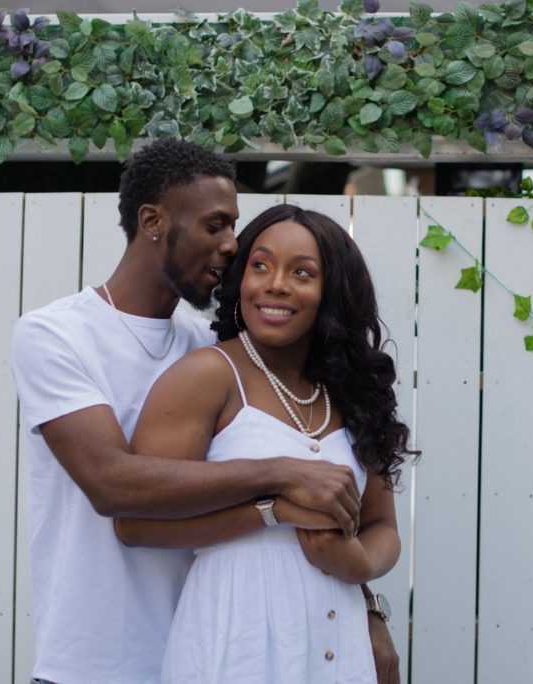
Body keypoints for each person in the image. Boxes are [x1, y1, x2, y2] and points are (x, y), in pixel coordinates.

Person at [10, 139, 399, 684]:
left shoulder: (214, 348)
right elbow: (111, 483)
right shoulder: (57, 335)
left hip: (219, 642)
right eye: (215, 226)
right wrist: (284, 482)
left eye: (234, 227)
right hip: (99, 656)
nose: (231, 246)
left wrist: (367, 609)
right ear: (153, 221)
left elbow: (327, 509)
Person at [114, 204, 416, 683]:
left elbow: (382, 527)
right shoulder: (209, 375)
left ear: (332, 293)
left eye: (302, 272)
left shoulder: (354, 392)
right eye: (260, 265)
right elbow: (137, 524)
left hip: (342, 648)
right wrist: (272, 510)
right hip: (238, 643)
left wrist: (358, 564)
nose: (275, 284)